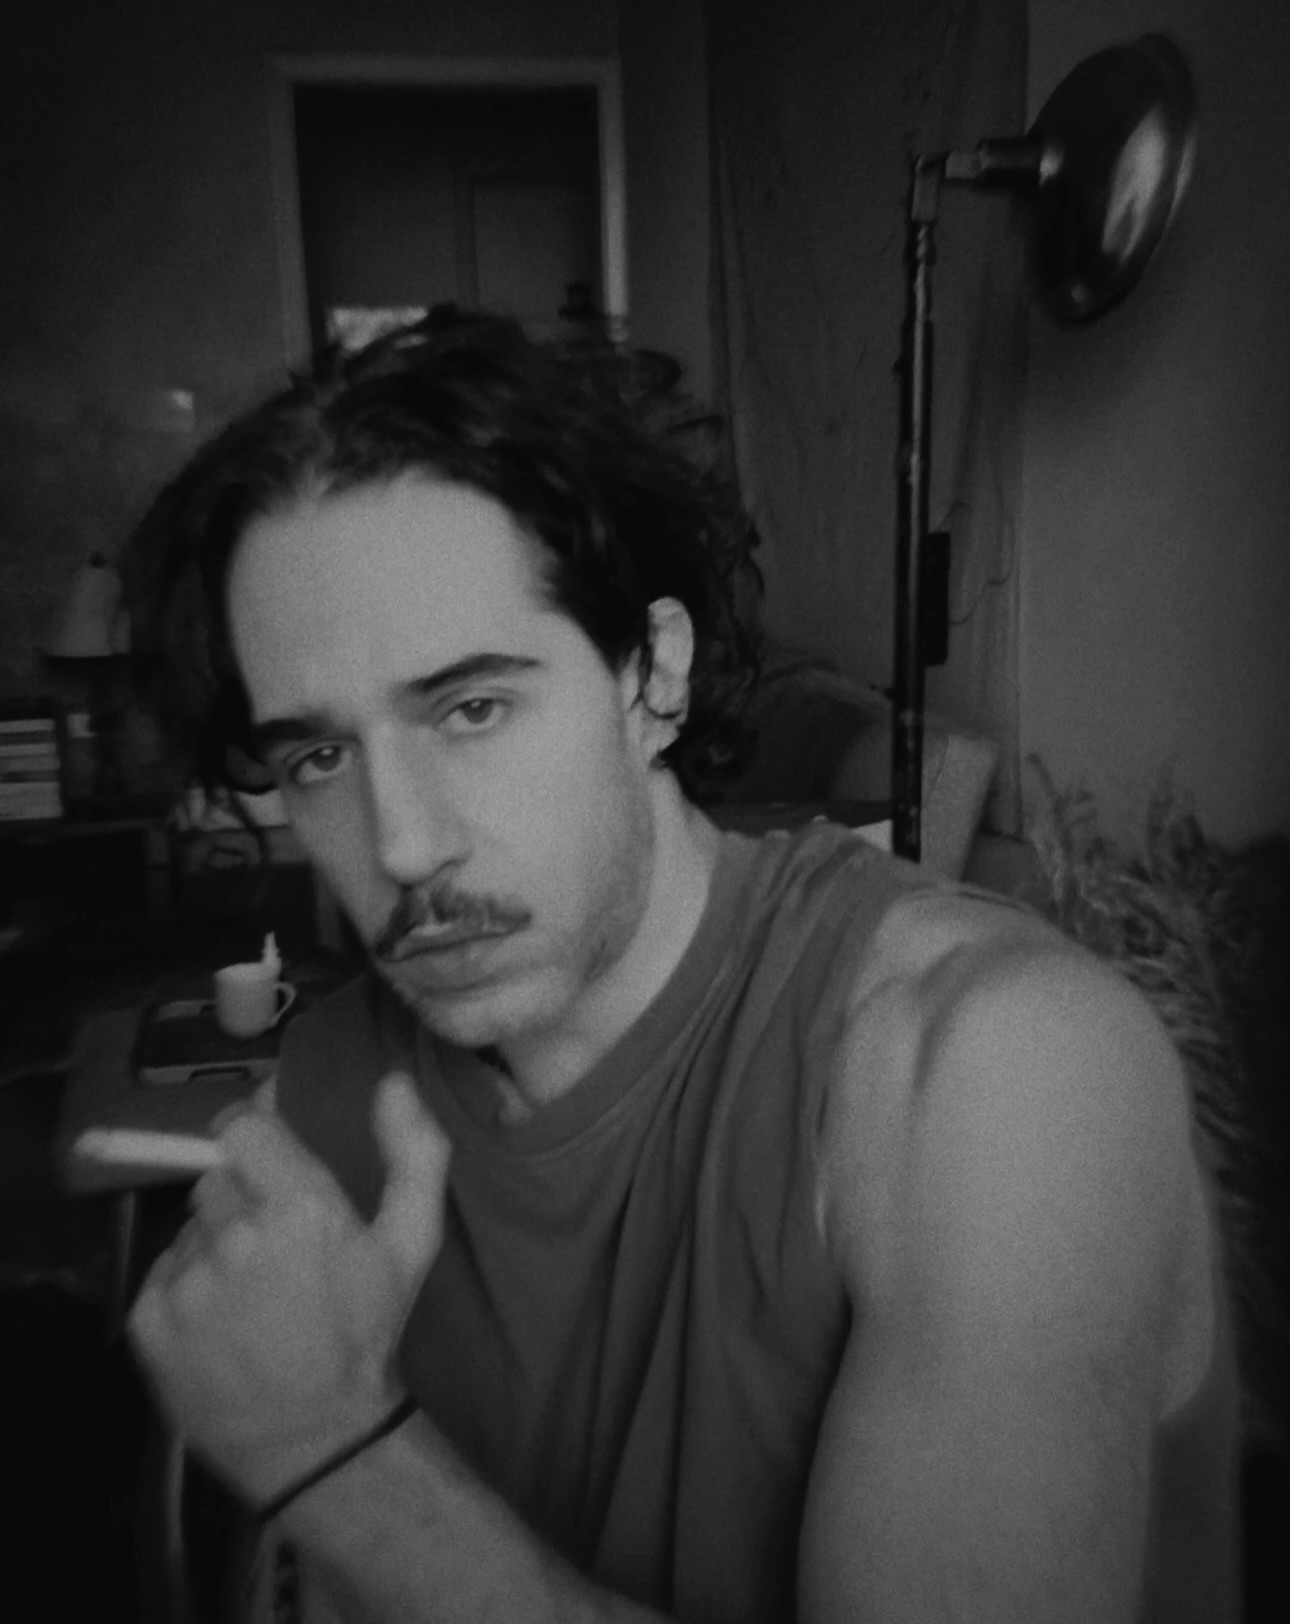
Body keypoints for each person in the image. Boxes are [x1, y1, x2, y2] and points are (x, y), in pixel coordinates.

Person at [122, 309, 1241, 1623]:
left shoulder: (1004, 1071)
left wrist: (329, 1453)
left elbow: (351, 1504)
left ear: (653, 675)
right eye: (319, 756)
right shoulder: (335, 1085)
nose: (401, 844)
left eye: (472, 708)